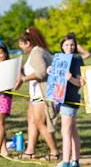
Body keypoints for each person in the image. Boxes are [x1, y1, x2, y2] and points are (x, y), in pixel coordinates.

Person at [14, 27, 59, 160]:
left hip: (41, 94)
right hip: (36, 94)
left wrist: (23, 79)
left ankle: (54, 152)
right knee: (32, 121)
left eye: (21, 45)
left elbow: (41, 72)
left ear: (27, 43)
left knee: (40, 123)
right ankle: (30, 151)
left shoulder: (36, 52)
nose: (22, 48)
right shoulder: (40, 51)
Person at [52, 34, 83, 167]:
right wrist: (51, 71)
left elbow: (81, 82)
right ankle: (75, 161)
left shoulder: (76, 59)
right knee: (72, 130)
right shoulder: (59, 58)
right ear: (62, 46)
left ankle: (66, 162)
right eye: (66, 45)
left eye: (72, 44)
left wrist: (70, 78)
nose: (69, 47)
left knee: (66, 131)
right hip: (60, 98)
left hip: (70, 100)